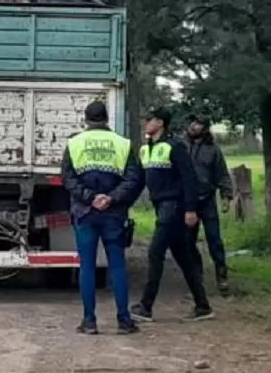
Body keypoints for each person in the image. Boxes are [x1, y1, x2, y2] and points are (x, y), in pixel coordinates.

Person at [60, 101, 144, 335]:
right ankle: (124, 321)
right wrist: (111, 198)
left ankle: (89, 321)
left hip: (85, 213)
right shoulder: (123, 144)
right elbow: (132, 179)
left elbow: (67, 178)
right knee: (117, 265)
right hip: (113, 214)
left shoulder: (74, 143)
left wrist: (90, 197)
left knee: (87, 266)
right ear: (106, 118)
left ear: (86, 119)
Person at [130, 108, 215, 323]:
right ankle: (203, 306)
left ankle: (146, 306)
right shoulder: (145, 150)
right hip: (161, 205)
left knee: (155, 252)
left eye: (148, 120)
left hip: (174, 206)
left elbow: (189, 179)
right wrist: (121, 202)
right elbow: (138, 182)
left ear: (160, 123)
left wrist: (190, 209)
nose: (145, 123)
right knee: (184, 257)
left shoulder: (174, 146)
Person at [183, 113, 233, 295]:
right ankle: (197, 280)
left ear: (205, 128)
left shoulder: (213, 150)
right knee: (188, 242)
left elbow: (222, 174)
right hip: (188, 201)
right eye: (193, 122)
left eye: (199, 124)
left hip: (207, 200)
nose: (194, 126)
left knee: (214, 239)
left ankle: (222, 274)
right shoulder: (181, 146)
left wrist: (226, 196)